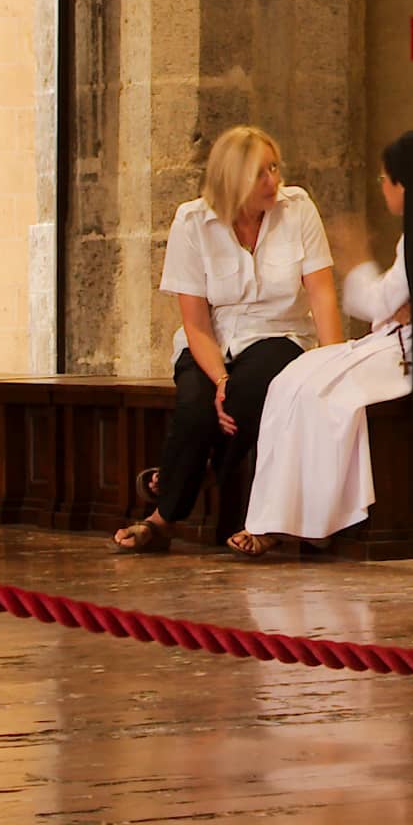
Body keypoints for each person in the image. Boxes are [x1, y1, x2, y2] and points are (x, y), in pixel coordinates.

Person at [233, 129, 413, 554]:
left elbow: (381, 300)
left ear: (402, 184)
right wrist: (392, 303)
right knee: (291, 382)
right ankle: (281, 516)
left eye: (384, 180)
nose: (383, 189)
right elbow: (395, 302)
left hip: (409, 359)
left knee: (322, 396)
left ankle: (312, 520)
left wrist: (355, 262)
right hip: (403, 347)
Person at [113, 125, 340, 554]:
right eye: (260, 173)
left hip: (279, 334)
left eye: (275, 168)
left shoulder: (299, 209)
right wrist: (218, 379)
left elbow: (322, 293)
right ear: (231, 180)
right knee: (198, 407)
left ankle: (170, 500)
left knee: (245, 398)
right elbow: (196, 322)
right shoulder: (192, 221)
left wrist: (331, 365)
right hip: (211, 342)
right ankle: (169, 515)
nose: (273, 181)